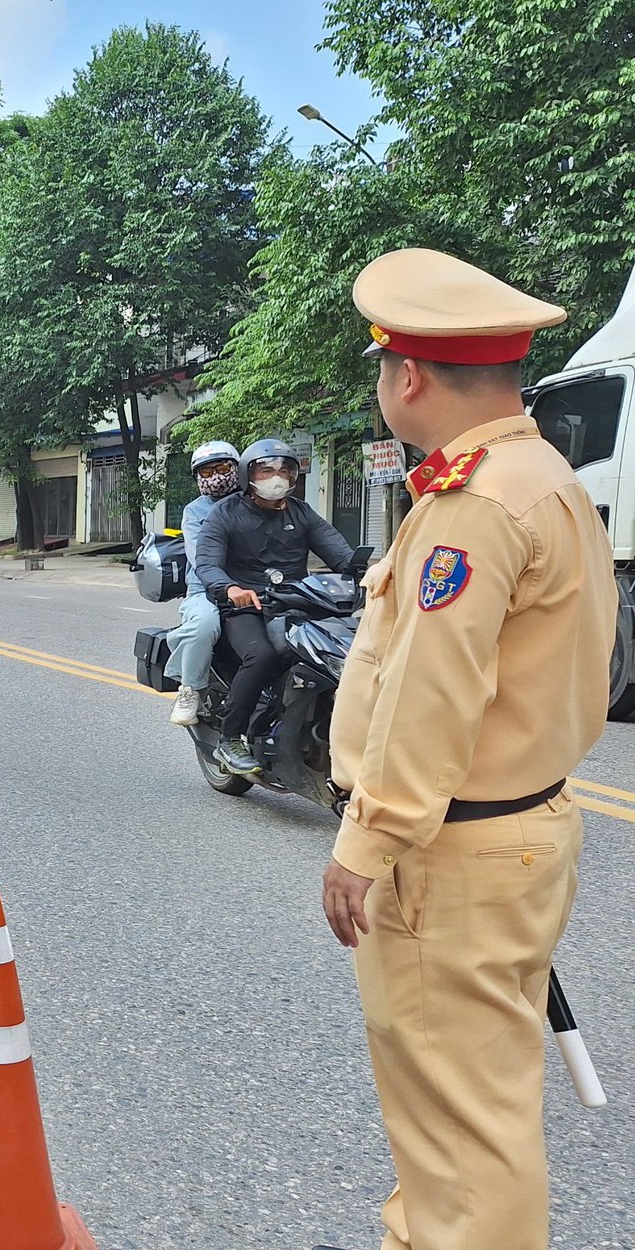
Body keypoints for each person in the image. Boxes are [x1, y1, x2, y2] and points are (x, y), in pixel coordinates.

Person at [320, 248, 615, 1250]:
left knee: (459, 1131)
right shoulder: (540, 477)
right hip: (518, 828)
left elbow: (428, 699)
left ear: (406, 377)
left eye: (378, 367)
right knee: (469, 1110)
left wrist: (365, 841)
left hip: (453, 849)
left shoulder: (473, 504)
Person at [194, 436, 357, 774]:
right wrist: (230, 588)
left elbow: (340, 554)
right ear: (247, 476)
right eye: (266, 470)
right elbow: (207, 563)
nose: (276, 477)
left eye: (285, 469)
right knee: (262, 655)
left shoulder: (301, 512)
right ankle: (231, 738)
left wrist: (372, 574)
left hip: (298, 601)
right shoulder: (225, 513)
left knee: (347, 649)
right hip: (246, 606)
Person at [163, 440, 240, 725]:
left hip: (258, 584)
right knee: (204, 626)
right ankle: (190, 689)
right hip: (206, 588)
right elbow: (202, 559)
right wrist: (227, 585)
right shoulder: (195, 512)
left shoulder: (255, 501)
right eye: (206, 472)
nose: (216, 477)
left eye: (222, 468)